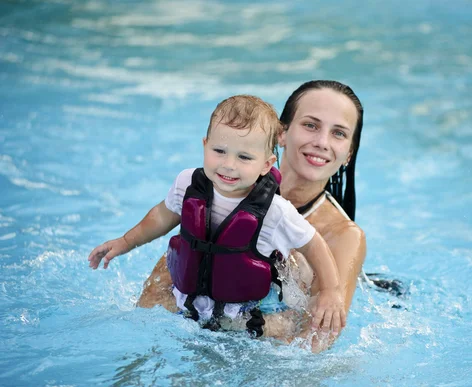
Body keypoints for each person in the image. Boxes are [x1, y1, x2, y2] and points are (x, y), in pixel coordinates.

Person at [88, 94, 347, 336]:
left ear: (266, 165)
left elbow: (315, 246)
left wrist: (330, 291)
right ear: (205, 145)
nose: (229, 164)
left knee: (282, 331)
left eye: (244, 157)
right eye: (219, 151)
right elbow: (160, 217)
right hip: (189, 300)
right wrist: (124, 242)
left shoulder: (276, 211)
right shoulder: (187, 183)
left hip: (251, 313)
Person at [137, 80, 367, 351]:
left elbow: (315, 341)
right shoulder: (222, 190)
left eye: (339, 133)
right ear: (281, 134)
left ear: (349, 153)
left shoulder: (343, 236)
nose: (321, 142)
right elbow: (156, 290)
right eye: (310, 125)